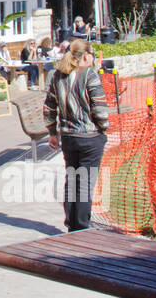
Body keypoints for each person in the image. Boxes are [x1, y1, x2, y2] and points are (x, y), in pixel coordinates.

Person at [42, 39, 111, 232]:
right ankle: (80, 227)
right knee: (85, 184)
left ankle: (71, 223)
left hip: (69, 137)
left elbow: (49, 107)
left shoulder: (57, 76)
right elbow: (99, 107)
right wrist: (103, 127)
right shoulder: (89, 75)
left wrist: (52, 133)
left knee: (71, 179)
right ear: (86, 56)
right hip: (89, 136)